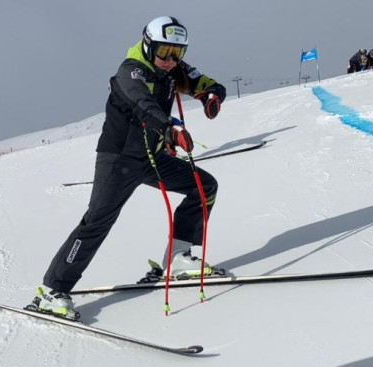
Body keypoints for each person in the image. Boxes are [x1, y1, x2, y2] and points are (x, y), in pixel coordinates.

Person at [30, 16, 226, 320]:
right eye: (164, 52)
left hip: (152, 158)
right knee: (97, 221)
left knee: (203, 187)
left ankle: (177, 259)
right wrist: (170, 128)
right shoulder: (129, 72)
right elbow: (143, 104)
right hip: (119, 159)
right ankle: (53, 290)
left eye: (178, 53)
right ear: (148, 45)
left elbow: (204, 82)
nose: (170, 60)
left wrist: (213, 95)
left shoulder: (173, 67)